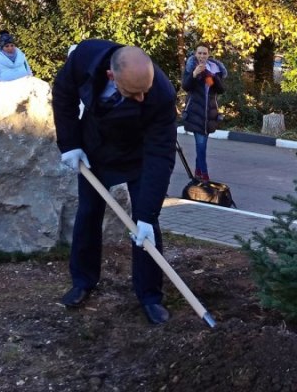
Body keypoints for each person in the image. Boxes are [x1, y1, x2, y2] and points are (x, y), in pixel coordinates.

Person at [52, 39, 178, 325]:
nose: (142, 99)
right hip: (95, 148)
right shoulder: (85, 58)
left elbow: (161, 153)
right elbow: (63, 93)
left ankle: (150, 296)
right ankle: (83, 281)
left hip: (139, 155)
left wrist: (147, 215)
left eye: (144, 92)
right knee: (88, 214)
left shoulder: (161, 94)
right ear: (111, 75)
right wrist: (70, 144)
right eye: (134, 94)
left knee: (146, 226)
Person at [181, 44, 227, 183]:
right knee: (201, 145)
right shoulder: (190, 67)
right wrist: (194, 74)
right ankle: (204, 174)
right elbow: (186, 86)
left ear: (208, 54)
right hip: (196, 112)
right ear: (195, 54)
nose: (202, 56)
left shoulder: (215, 68)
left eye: (204, 53)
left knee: (202, 145)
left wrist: (211, 76)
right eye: (199, 53)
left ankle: (198, 172)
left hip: (209, 114)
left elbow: (221, 89)